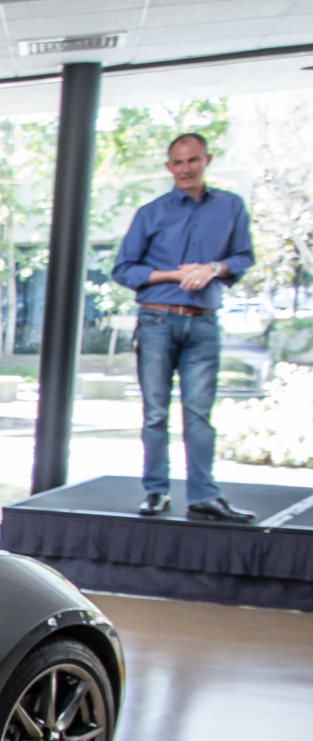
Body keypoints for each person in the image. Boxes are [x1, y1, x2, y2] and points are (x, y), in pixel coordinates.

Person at [111, 133, 255, 523]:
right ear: (168, 166)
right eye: (178, 162)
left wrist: (213, 268)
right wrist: (175, 274)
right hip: (156, 320)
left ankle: (204, 496)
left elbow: (243, 257)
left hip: (204, 324)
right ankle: (156, 491)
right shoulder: (151, 212)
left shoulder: (231, 206)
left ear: (207, 160)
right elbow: (123, 269)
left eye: (193, 160)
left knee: (199, 414)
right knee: (156, 412)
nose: (186, 168)